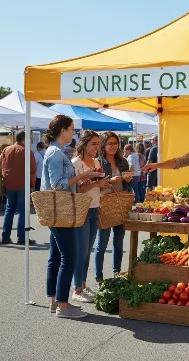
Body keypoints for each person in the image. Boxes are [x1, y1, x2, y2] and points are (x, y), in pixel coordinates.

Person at [42, 115, 102, 318]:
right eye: (72, 129)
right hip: (60, 209)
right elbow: (58, 184)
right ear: (62, 131)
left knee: (57, 256)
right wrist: (84, 176)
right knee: (69, 256)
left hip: (56, 209)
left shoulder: (55, 151)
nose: (74, 132)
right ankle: (63, 306)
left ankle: (55, 301)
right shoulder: (57, 153)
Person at [71, 130, 111, 303]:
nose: (97, 147)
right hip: (82, 210)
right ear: (84, 144)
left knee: (87, 251)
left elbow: (96, 187)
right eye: (93, 143)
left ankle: (83, 284)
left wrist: (104, 184)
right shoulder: (76, 163)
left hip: (95, 207)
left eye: (98, 143)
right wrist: (97, 183)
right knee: (81, 252)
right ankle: (76, 290)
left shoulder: (96, 162)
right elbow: (77, 189)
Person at [94, 132, 132, 284]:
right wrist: (110, 180)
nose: (113, 146)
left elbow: (128, 185)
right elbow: (96, 183)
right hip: (104, 204)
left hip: (120, 203)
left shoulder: (123, 162)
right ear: (103, 145)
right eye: (109, 143)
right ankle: (99, 278)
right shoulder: (98, 162)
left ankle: (116, 275)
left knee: (119, 243)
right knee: (101, 244)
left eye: (115, 143)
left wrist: (128, 179)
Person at [1, 130, 36, 245]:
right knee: (22, 210)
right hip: (22, 184)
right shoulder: (27, 152)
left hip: (9, 183)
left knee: (9, 209)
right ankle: (22, 237)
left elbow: (2, 164)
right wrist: (32, 185)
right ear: (24, 139)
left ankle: (5, 236)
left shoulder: (6, 149)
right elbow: (32, 170)